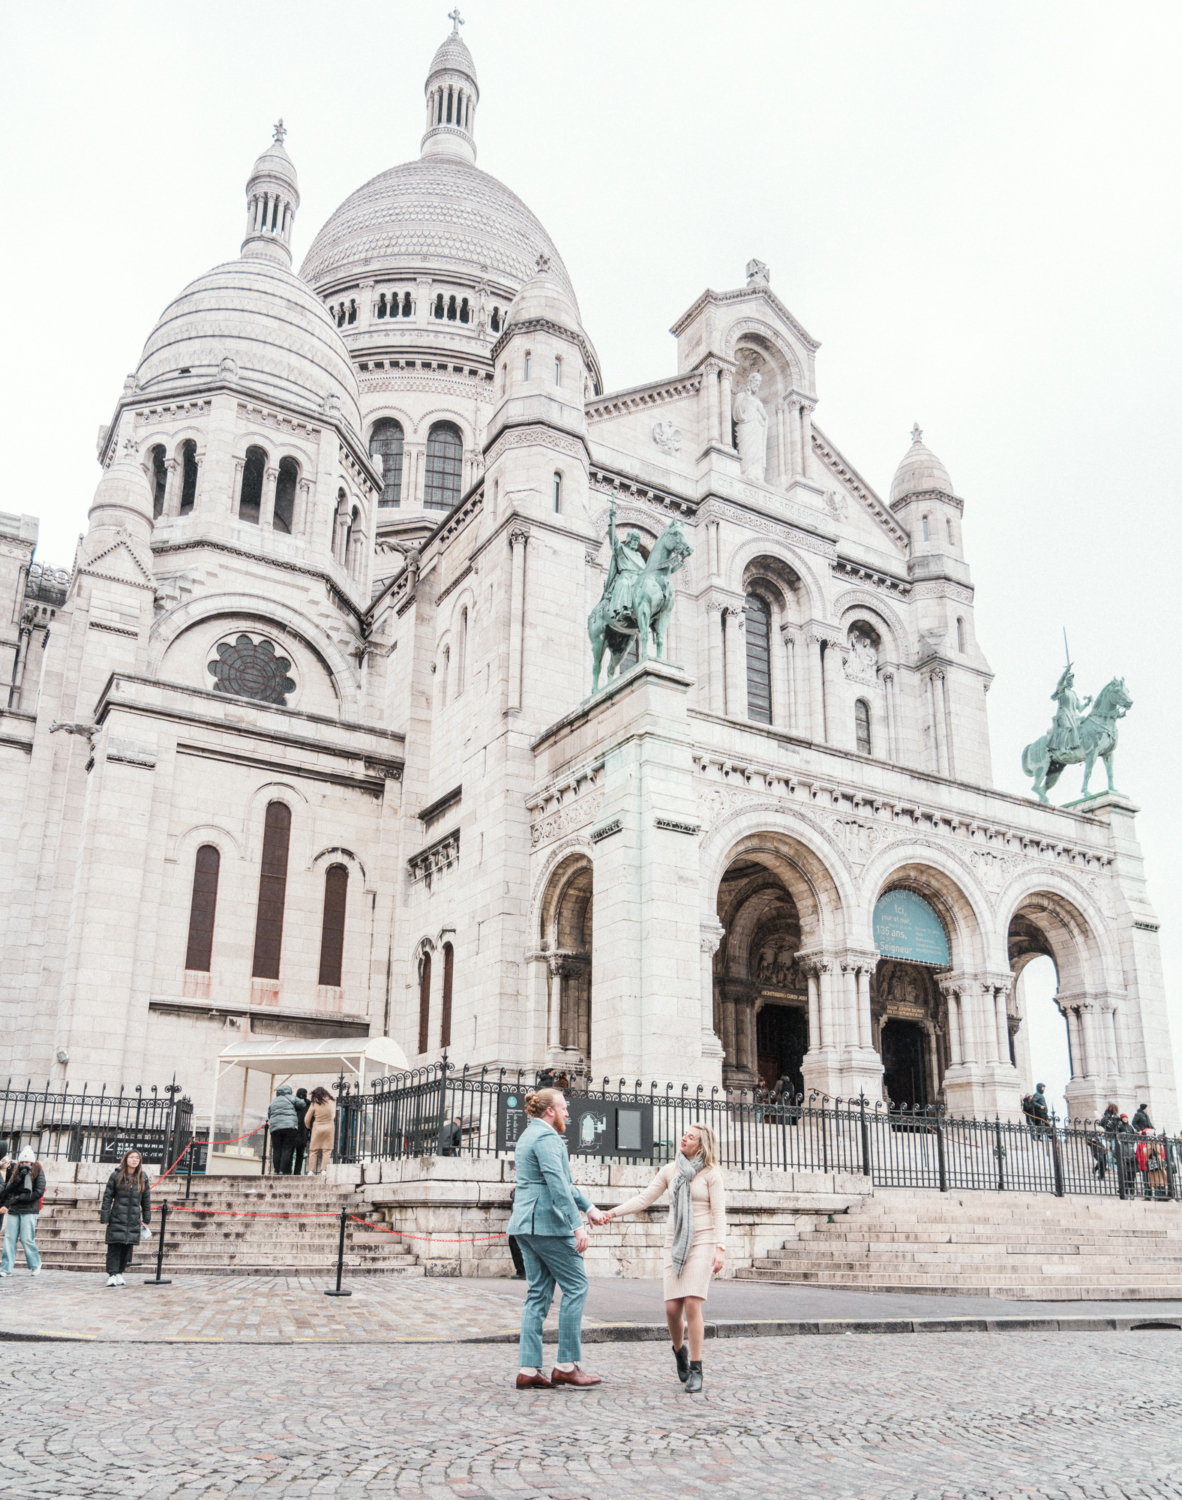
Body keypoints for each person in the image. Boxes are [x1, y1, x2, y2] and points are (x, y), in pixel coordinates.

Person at [605, 1122, 726, 1394]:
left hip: (704, 1241)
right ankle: (679, 1351)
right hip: (675, 1242)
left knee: (693, 1304)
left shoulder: (711, 1175)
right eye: (684, 1134)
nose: (684, 1138)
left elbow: (719, 1213)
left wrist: (721, 1247)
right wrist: (612, 1213)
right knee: (672, 1309)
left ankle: (696, 1367)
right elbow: (643, 1199)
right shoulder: (670, 1171)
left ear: (701, 1145)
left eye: (690, 1137)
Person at [505, 1087, 608, 1390]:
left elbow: (562, 1183)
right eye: (564, 1108)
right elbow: (557, 1186)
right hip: (548, 1225)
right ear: (549, 1110)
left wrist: (589, 1207)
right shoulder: (549, 1138)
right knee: (576, 1286)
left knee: (538, 1294)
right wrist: (577, 1225)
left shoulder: (528, 1135)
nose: (568, 1113)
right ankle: (566, 1365)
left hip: (524, 1224)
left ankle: (528, 1369)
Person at [100, 1149, 151, 1287]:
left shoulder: (142, 1177)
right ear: (126, 1159)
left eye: (137, 1158)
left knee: (127, 1247)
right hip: (117, 1216)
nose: (134, 1160)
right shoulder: (116, 1175)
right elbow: (107, 1197)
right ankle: (111, 1274)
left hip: (133, 1218)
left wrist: (146, 1219)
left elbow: (146, 1200)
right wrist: (105, 1215)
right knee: (114, 1246)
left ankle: (119, 1273)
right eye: (131, 1157)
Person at [0, 1146, 46, 1277]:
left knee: (27, 1238)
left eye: (27, 1162)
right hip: (15, 1209)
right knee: (9, 1238)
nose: (25, 1165)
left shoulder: (38, 1172)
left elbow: (39, 1191)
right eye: (22, 1162)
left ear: (32, 1162)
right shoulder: (16, 1172)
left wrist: (21, 1198)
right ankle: (6, 1268)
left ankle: (35, 1264)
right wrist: (18, 1179)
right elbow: (9, 1189)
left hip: (29, 1209)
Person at [267, 1084, 300, 1174]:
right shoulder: (291, 1098)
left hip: (275, 1128)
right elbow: (302, 1104)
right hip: (290, 1126)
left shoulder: (273, 1101)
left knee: (276, 1149)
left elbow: (269, 1115)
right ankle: (282, 1170)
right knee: (287, 1148)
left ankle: (276, 1170)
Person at [305, 1087, 335, 1175]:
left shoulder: (314, 1103)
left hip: (317, 1127)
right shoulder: (332, 1102)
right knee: (327, 1150)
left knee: (313, 1150)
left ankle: (311, 1171)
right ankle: (323, 1170)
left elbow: (307, 1119)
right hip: (329, 1127)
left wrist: (309, 1127)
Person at [506, 1187, 526, 1278]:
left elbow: (515, 1195)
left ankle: (521, 1272)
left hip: (519, 1221)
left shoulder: (521, 1188)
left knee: (514, 1243)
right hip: (523, 1220)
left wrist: (514, 1190)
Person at [292, 1088, 311, 1176]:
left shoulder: (293, 1103)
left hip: (294, 1131)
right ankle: (297, 1172)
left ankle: (288, 1171)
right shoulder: (308, 1104)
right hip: (303, 1132)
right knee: (299, 1154)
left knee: (290, 1152)